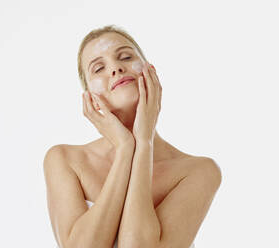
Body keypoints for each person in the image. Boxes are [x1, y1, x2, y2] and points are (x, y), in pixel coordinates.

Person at [43, 24, 222, 248]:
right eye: (98, 68)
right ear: (90, 97)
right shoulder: (65, 160)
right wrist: (125, 148)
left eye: (126, 57)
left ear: (151, 72)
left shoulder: (199, 171)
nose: (116, 68)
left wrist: (143, 145)